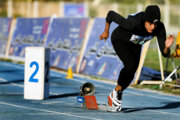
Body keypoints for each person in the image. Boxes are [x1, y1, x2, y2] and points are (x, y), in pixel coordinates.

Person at [99, 5, 175, 112]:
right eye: (150, 23)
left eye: (155, 24)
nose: (153, 27)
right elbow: (110, 14)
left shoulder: (160, 28)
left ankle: (116, 93)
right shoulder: (134, 23)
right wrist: (106, 31)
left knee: (133, 69)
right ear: (145, 21)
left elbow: (165, 54)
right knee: (130, 64)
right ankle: (116, 93)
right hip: (120, 39)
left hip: (136, 44)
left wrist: (167, 47)